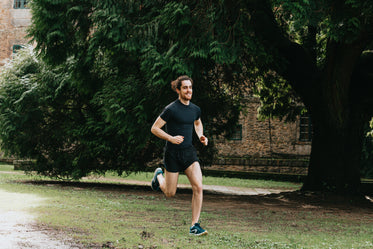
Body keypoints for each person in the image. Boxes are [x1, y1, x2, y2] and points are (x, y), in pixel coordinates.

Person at [150, 75, 208, 236]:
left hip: (189, 152)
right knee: (170, 193)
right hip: (172, 154)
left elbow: (197, 122)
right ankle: (158, 177)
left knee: (198, 186)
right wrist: (170, 138)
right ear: (178, 90)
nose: (189, 90)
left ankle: (194, 225)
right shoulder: (171, 109)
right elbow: (154, 128)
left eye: (190, 87)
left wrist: (201, 136)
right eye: (185, 88)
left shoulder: (195, 109)